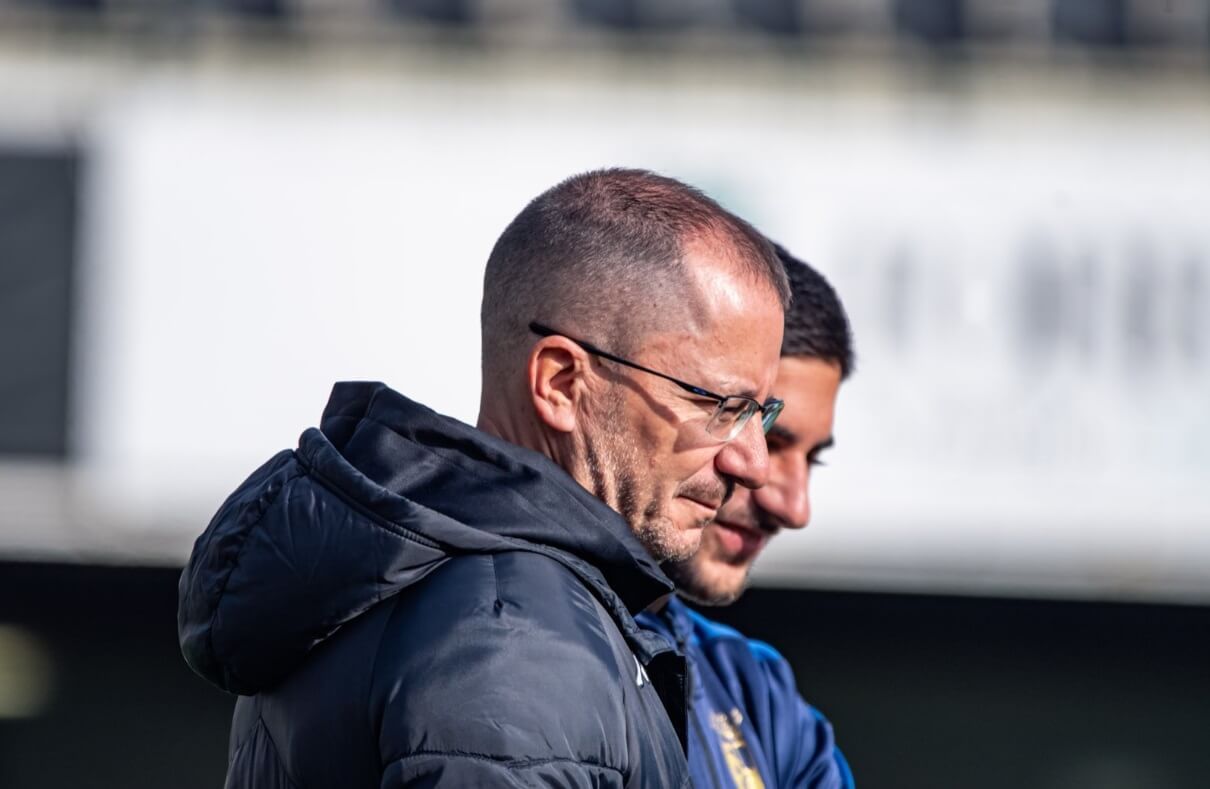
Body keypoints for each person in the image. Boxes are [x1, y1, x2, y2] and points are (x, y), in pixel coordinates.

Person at [177, 169, 792, 788]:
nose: (754, 463)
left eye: (762, 414)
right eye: (720, 406)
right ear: (560, 384)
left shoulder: (435, 587)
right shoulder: (511, 638)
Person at [637, 245, 857, 789]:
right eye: (754, 426)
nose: (793, 506)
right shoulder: (511, 638)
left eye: (812, 458)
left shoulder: (758, 693)